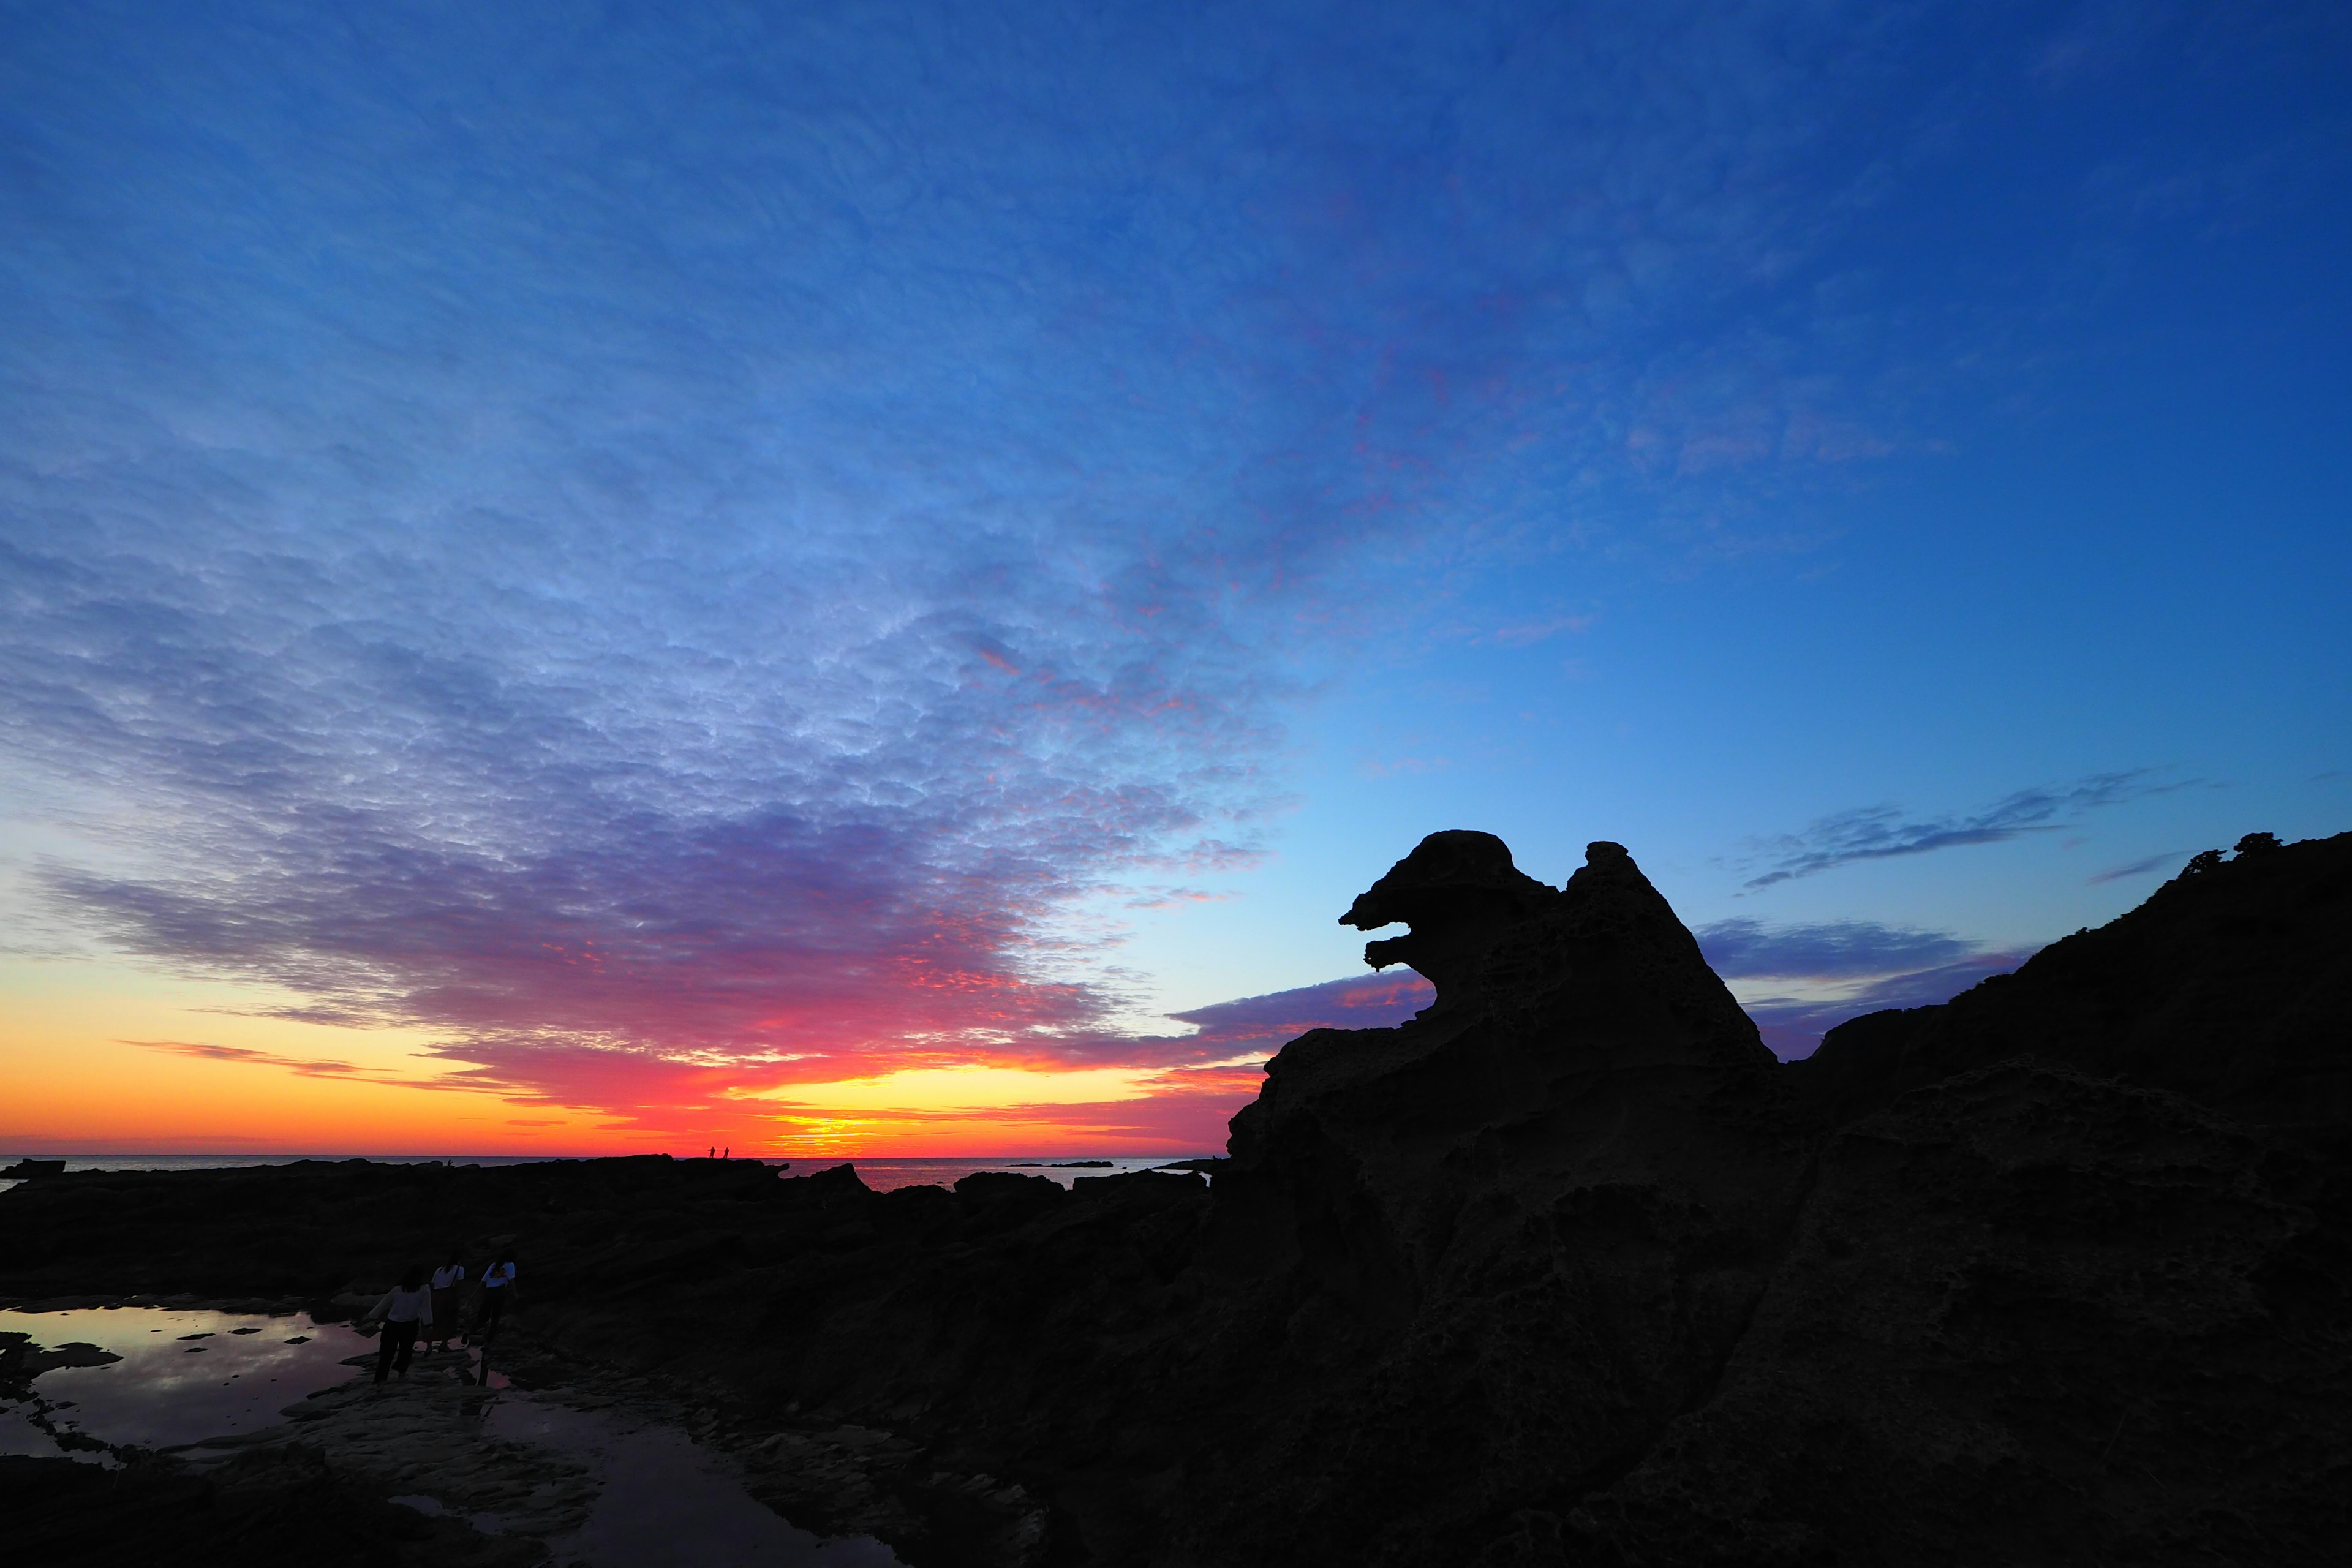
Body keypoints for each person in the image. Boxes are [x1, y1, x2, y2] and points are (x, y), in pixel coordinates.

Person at [363, 1264, 434, 1382]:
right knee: (406, 1351)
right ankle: (401, 1374)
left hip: (392, 1325)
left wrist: (370, 1316)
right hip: (410, 1325)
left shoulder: (398, 1289)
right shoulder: (424, 1289)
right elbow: (426, 1308)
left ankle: (381, 1382)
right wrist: (429, 1324)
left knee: (386, 1354)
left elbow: (383, 1305)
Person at [424, 1252, 466, 1352]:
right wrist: (458, 1300)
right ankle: (444, 1344)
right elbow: (458, 1285)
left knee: (433, 1322)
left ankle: (429, 1347)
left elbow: (433, 1283)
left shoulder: (439, 1270)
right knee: (450, 1322)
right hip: (449, 1296)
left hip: (436, 1296)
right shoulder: (460, 1269)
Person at [477, 1253, 518, 1341]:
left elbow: (483, 1281)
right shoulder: (510, 1265)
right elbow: (512, 1281)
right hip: (500, 1292)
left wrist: (474, 1294)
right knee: (495, 1317)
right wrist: (515, 1294)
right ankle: (489, 1340)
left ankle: (471, 1332)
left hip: (489, 1292)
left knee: (483, 1314)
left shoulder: (494, 1265)